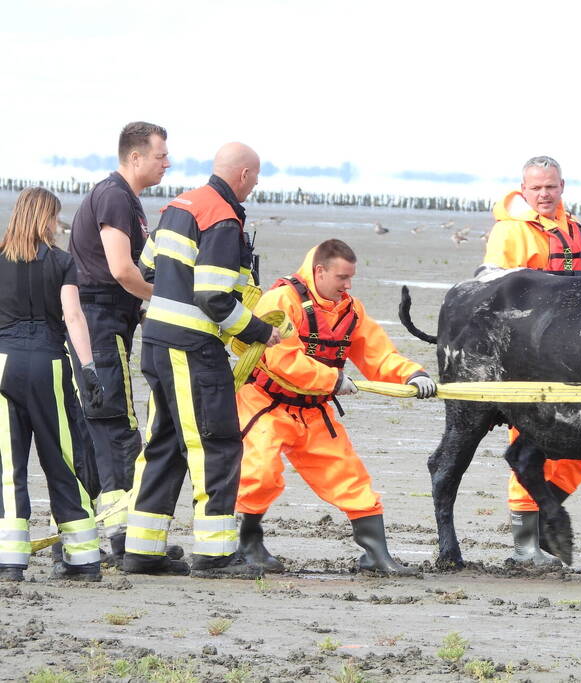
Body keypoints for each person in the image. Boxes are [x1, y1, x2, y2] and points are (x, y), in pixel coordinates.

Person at [122, 142, 282, 578]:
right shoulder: (222, 218)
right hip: (192, 351)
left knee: (164, 445)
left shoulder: (181, 205)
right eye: (256, 177)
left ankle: (142, 550)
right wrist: (260, 332)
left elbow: (147, 266)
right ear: (245, 175)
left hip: (156, 343)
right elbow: (213, 296)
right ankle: (214, 555)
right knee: (217, 445)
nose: (255, 185)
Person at [236, 239, 436, 575]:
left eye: (350, 278)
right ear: (320, 271)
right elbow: (282, 358)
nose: (348, 285)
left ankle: (375, 556)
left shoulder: (350, 309)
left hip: (315, 410)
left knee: (350, 478)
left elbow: (378, 354)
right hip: (266, 404)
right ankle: (248, 543)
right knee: (260, 473)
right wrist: (332, 380)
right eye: (342, 278)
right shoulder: (282, 301)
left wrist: (413, 374)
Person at [481, 155, 581, 565]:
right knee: (527, 446)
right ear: (523, 189)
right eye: (536, 188)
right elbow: (490, 294)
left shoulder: (576, 228)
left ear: (562, 186)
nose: (544, 194)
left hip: (576, 358)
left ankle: (548, 517)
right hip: (529, 359)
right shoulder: (509, 233)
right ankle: (525, 547)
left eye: (551, 186)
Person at [67, 121, 168, 564]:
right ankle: (130, 540)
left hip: (108, 320)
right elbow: (123, 271)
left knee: (97, 427)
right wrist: (166, 301)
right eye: (161, 155)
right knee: (117, 426)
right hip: (100, 321)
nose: (167, 163)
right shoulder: (114, 196)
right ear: (135, 157)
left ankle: (106, 538)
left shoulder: (128, 199)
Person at [0, 188, 105, 582]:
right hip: (48, 364)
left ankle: (10, 562)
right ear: (46, 219)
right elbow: (74, 318)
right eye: (55, 218)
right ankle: (82, 560)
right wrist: (89, 368)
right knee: (62, 459)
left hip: (3, 364)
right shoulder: (62, 262)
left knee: (9, 466)